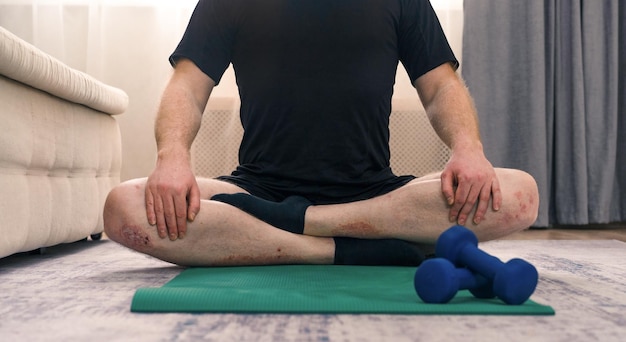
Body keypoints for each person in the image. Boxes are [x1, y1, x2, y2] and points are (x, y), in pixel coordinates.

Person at [103, 0, 539, 267]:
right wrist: (172, 156)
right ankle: (359, 249)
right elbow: (187, 86)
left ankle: (293, 230)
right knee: (123, 207)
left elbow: (441, 85)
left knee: (520, 196)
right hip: (259, 189)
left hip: (373, 194)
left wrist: (468, 148)